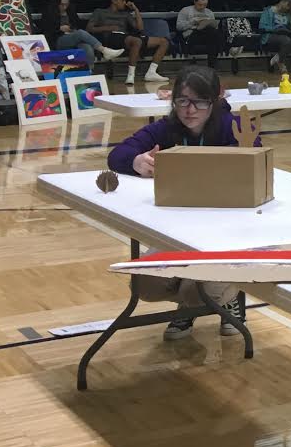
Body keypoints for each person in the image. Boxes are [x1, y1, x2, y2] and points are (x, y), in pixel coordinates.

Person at [107, 66, 253, 340]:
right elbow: (118, 154)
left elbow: (255, 157)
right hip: (177, 229)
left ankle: (219, 300)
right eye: (182, 101)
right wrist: (136, 161)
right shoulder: (166, 128)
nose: (190, 109)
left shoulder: (233, 127)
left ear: (215, 101)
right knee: (144, 284)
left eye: (199, 102)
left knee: (198, 291)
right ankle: (193, 301)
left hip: (227, 232)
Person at [87, 0, 168, 85]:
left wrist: (136, 10)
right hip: (110, 37)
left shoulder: (125, 14)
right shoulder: (100, 12)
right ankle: (130, 75)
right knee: (136, 41)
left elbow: (140, 28)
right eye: (122, 0)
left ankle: (151, 72)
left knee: (163, 41)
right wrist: (108, 27)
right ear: (114, 0)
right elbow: (89, 28)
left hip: (126, 37)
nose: (125, 3)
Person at [38, 0, 122, 61]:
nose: (64, 7)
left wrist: (72, 28)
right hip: (57, 39)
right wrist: (59, 28)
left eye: (66, 4)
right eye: (62, 5)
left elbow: (78, 24)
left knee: (87, 47)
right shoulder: (48, 12)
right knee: (81, 33)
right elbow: (45, 28)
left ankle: (89, 70)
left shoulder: (70, 11)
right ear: (56, 4)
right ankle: (104, 50)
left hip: (72, 36)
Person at [176, 0, 225, 68]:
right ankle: (213, 64)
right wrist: (193, 22)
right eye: (200, 5)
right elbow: (179, 27)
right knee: (213, 34)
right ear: (194, 2)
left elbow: (214, 27)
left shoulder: (209, 12)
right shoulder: (185, 10)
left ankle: (212, 64)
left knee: (214, 32)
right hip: (191, 35)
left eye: (205, 5)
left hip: (207, 35)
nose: (202, 7)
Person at [259, 0, 291, 71]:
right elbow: (262, 27)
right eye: (287, 5)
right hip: (271, 34)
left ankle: (278, 57)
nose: (286, 8)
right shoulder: (268, 11)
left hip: (286, 33)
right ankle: (281, 62)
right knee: (287, 40)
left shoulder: (288, 13)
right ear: (281, 2)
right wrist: (275, 29)